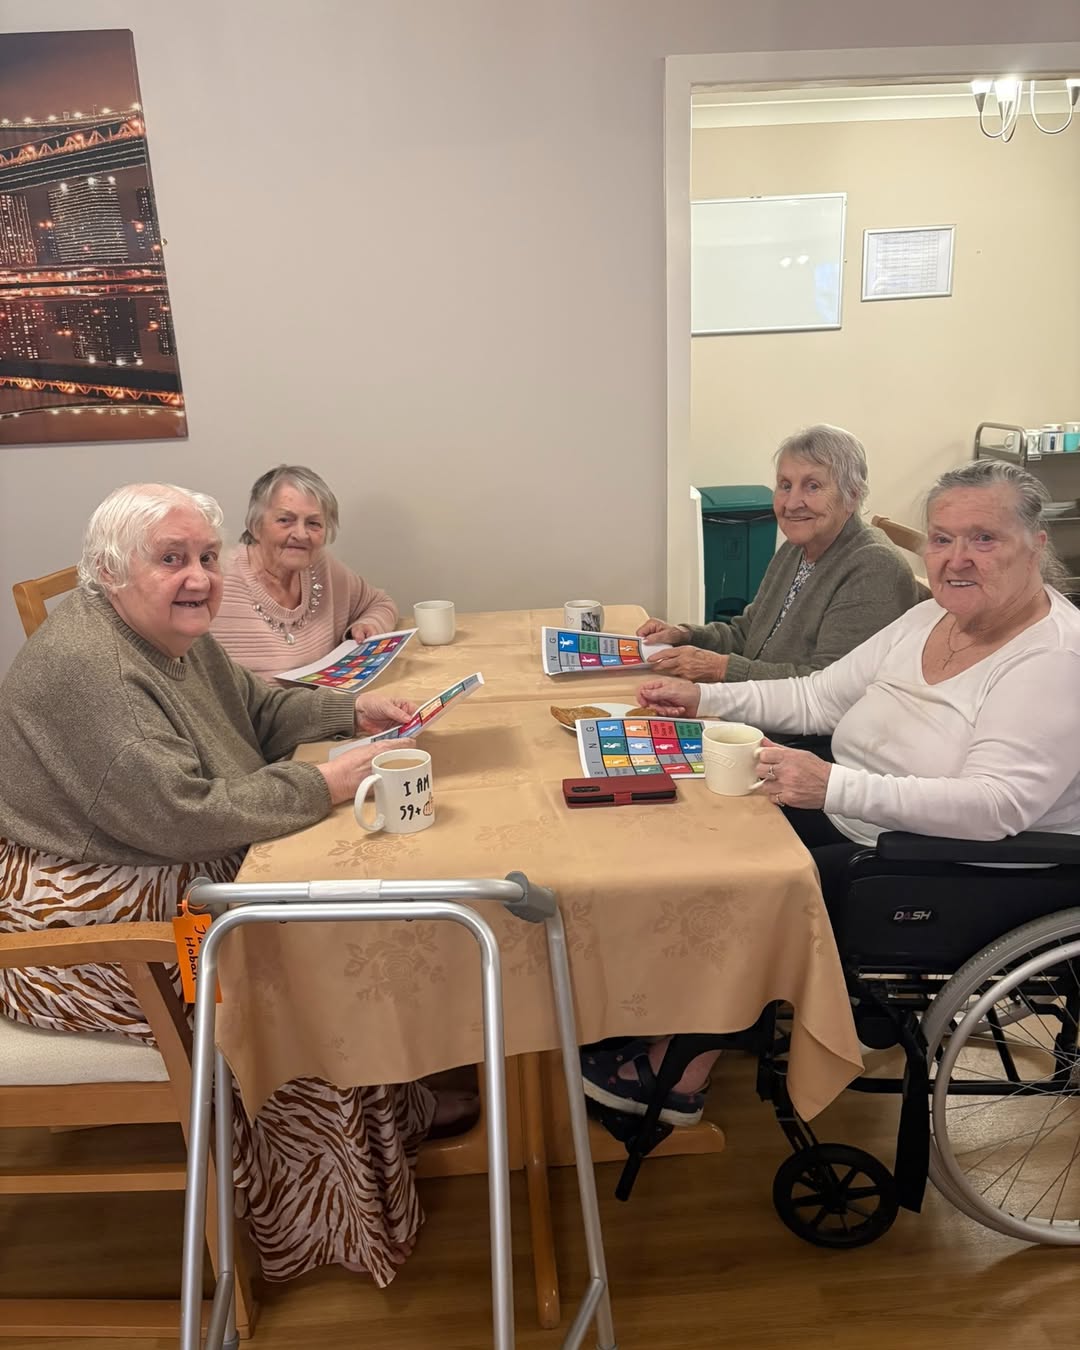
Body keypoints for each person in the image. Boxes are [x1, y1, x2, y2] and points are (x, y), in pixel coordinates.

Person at [0, 483, 450, 1286]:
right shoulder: (93, 666)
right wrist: (327, 786)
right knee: (281, 969)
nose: (200, 577)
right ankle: (323, 1222)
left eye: (207, 557)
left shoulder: (167, 633)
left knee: (321, 919)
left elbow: (252, 707)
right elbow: (183, 815)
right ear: (109, 570)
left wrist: (350, 717)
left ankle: (391, 1122)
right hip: (76, 925)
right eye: (171, 559)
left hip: (147, 858)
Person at [583, 459, 1080, 1126]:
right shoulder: (931, 616)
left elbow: (996, 806)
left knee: (754, 897)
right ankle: (661, 1010)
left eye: (984, 538)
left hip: (958, 863)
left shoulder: (1051, 661)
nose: (957, 559)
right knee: (694, 843)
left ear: (1035, 545)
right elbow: (818, 696)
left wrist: (833, 783)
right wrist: (704, 699)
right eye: (941, 538)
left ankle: (677, 1073)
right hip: (862, 816)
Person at [639, 425, 920, 683]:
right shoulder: (797, 548)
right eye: (785, 485)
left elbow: (828, 687)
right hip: (761, 708)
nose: (792, 503)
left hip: (803, 736)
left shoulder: (874, 567)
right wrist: (686, 635)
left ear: (853, 495)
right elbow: (747, 634)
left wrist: (719, 668)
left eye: (812, 486)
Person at [212, 464, 398, 680]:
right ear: (255, 525)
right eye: (285, 520)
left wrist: (369, 625)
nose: (301, 534)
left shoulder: (320, 566)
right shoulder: (219, 579)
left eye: (313, 523)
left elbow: (380, 603)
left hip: (327, 710)